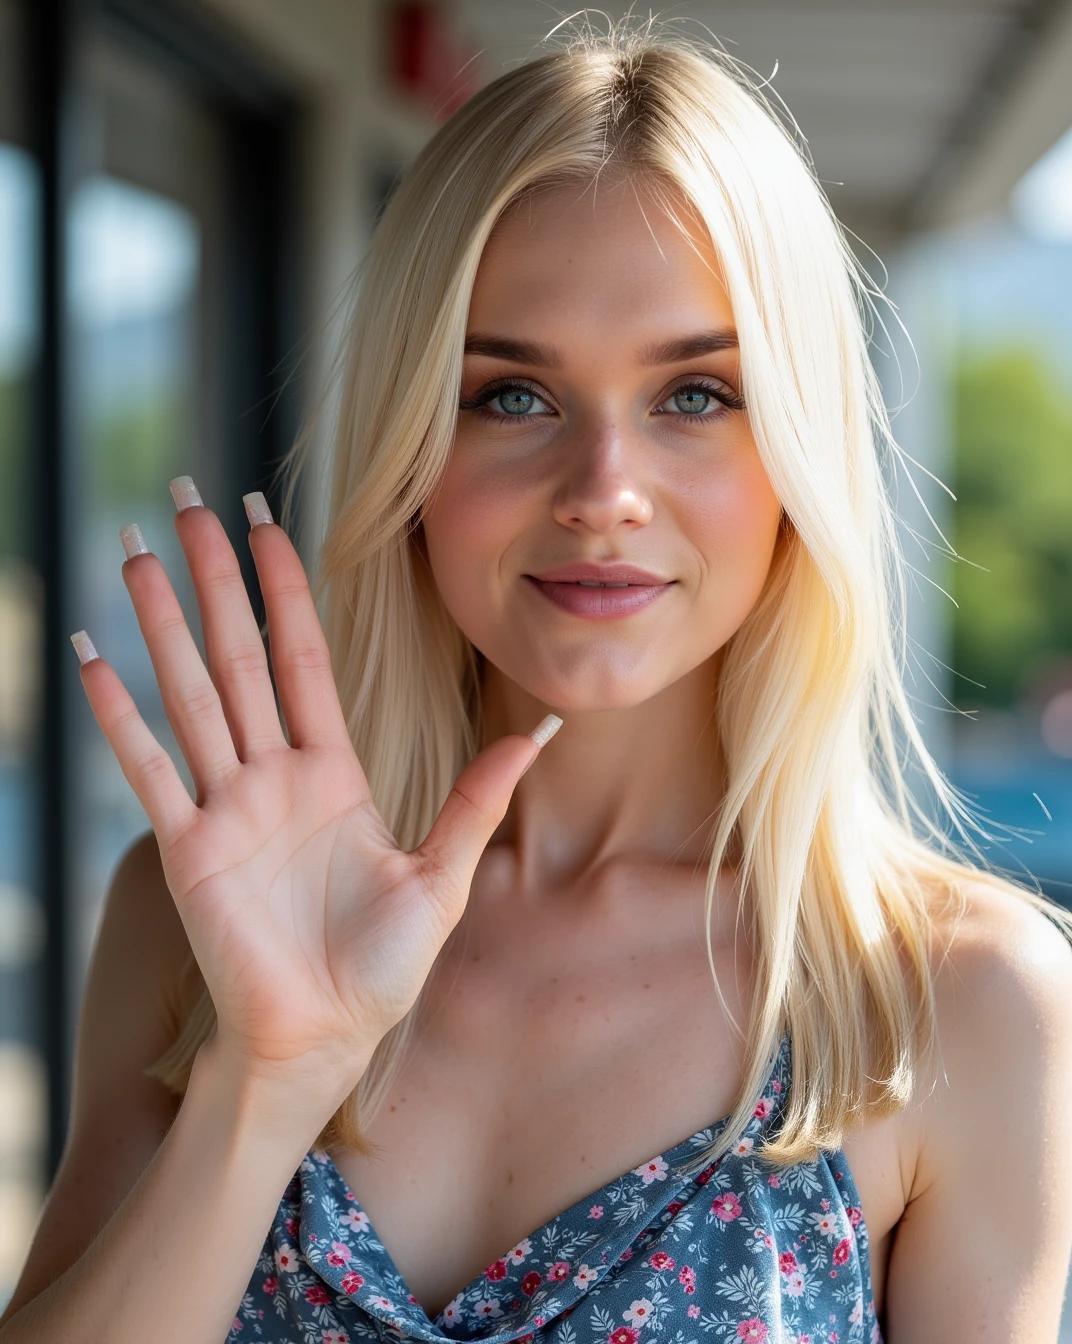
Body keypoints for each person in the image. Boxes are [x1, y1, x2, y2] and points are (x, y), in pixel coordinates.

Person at [3, 17, 1072, 1344]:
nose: (603, 494)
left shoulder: (949, 999)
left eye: (695, 395)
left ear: (800, 454)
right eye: (511, 395)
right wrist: (264, 1086)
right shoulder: (203, 917)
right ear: (411, 452)